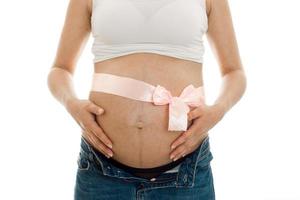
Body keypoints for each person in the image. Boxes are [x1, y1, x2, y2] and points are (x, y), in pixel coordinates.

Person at [47, 0, 247, 199]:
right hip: (101, 173)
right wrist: (71, 103)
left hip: (186, 173)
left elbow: (234, 72)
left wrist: (218, 110)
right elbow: (60, 69)